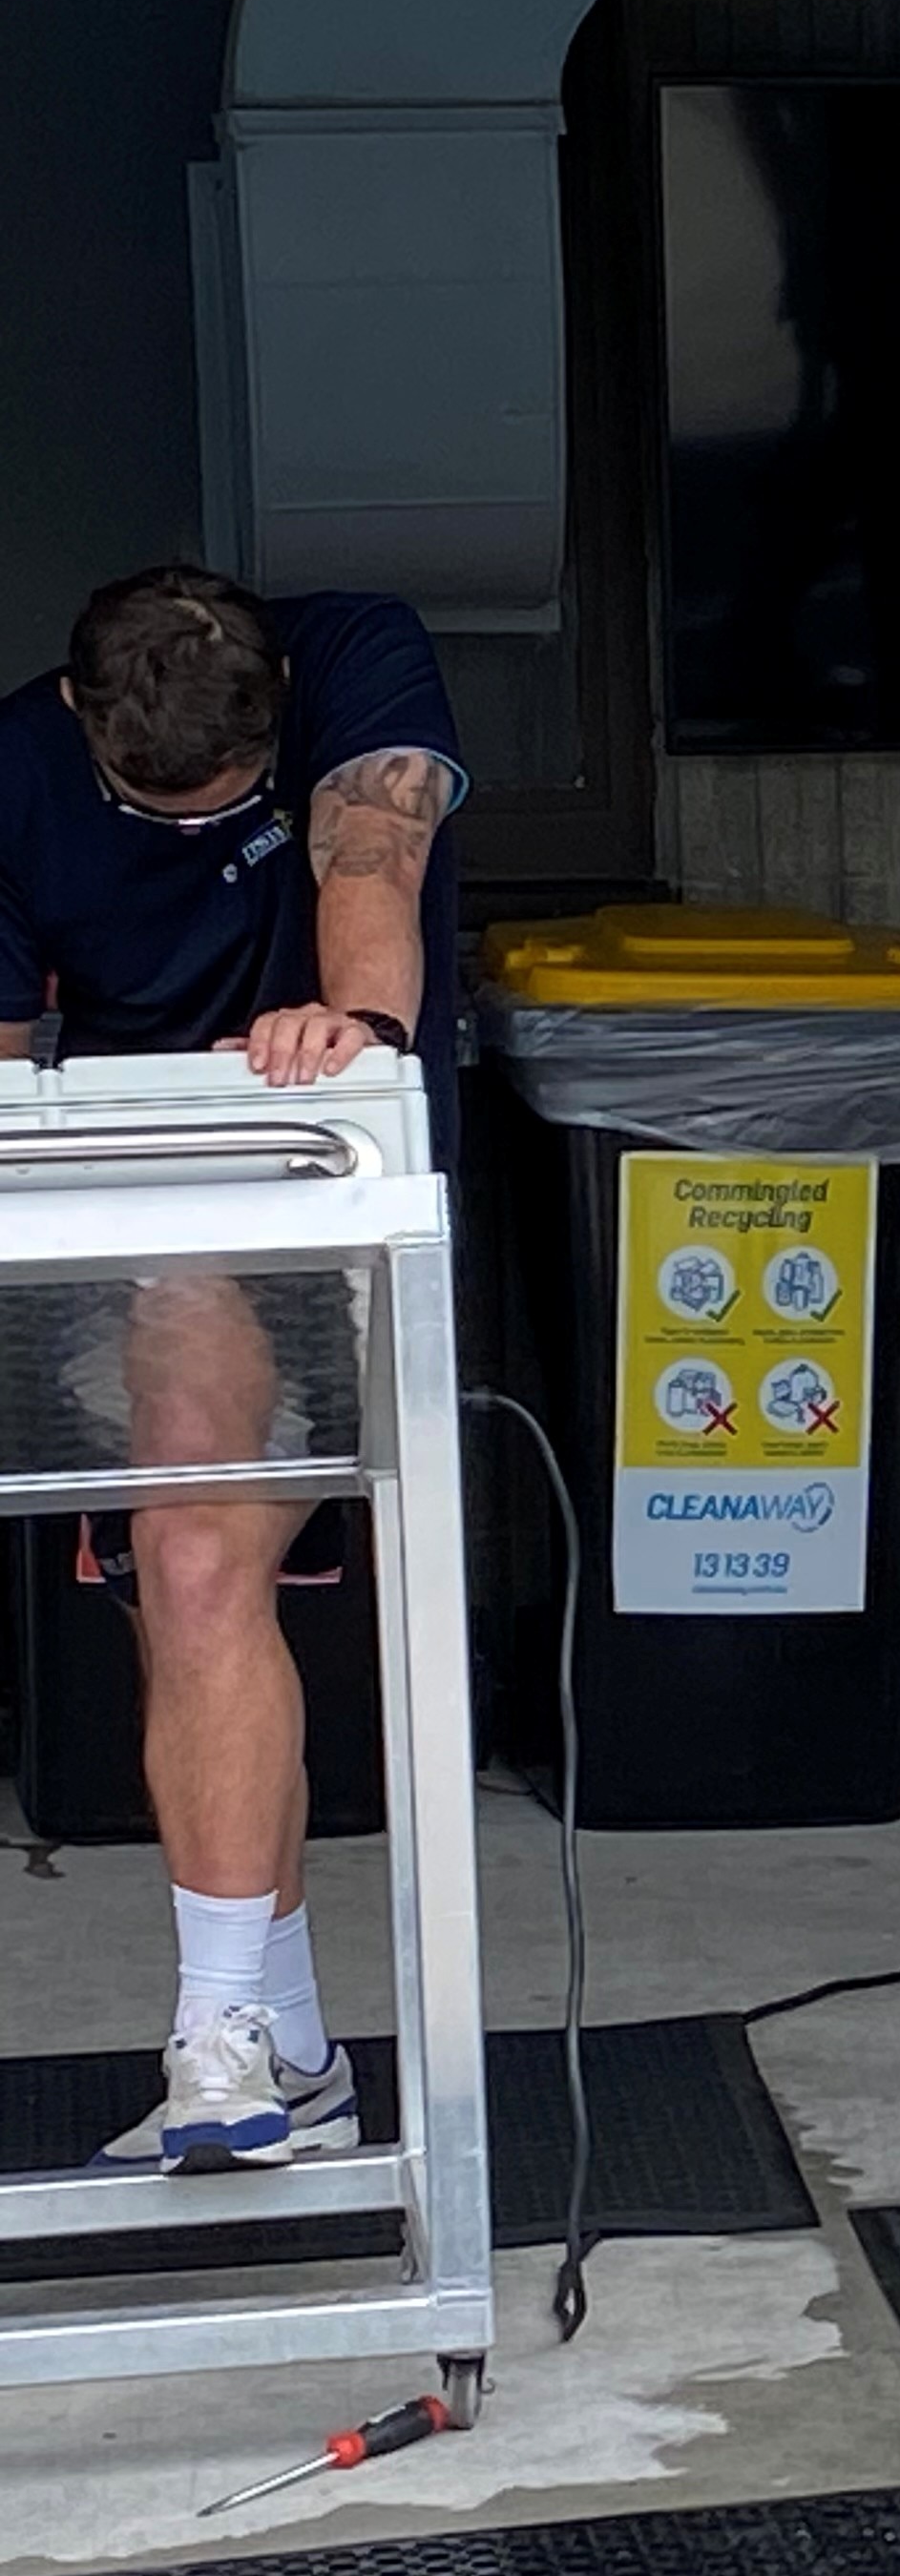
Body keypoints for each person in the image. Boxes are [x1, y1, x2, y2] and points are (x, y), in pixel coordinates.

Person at [0, 568, 464, 2171]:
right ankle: (286, 2044)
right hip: (128, 1210)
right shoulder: (11, 773)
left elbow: (371, 856)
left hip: (328, 1164)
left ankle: (222, 2047)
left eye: (227, 806)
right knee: (191, 1609)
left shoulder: (350, 651)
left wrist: (358, 1030)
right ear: (81, 720)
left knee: (198, 1570)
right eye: (157, 809)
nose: (199, 839)